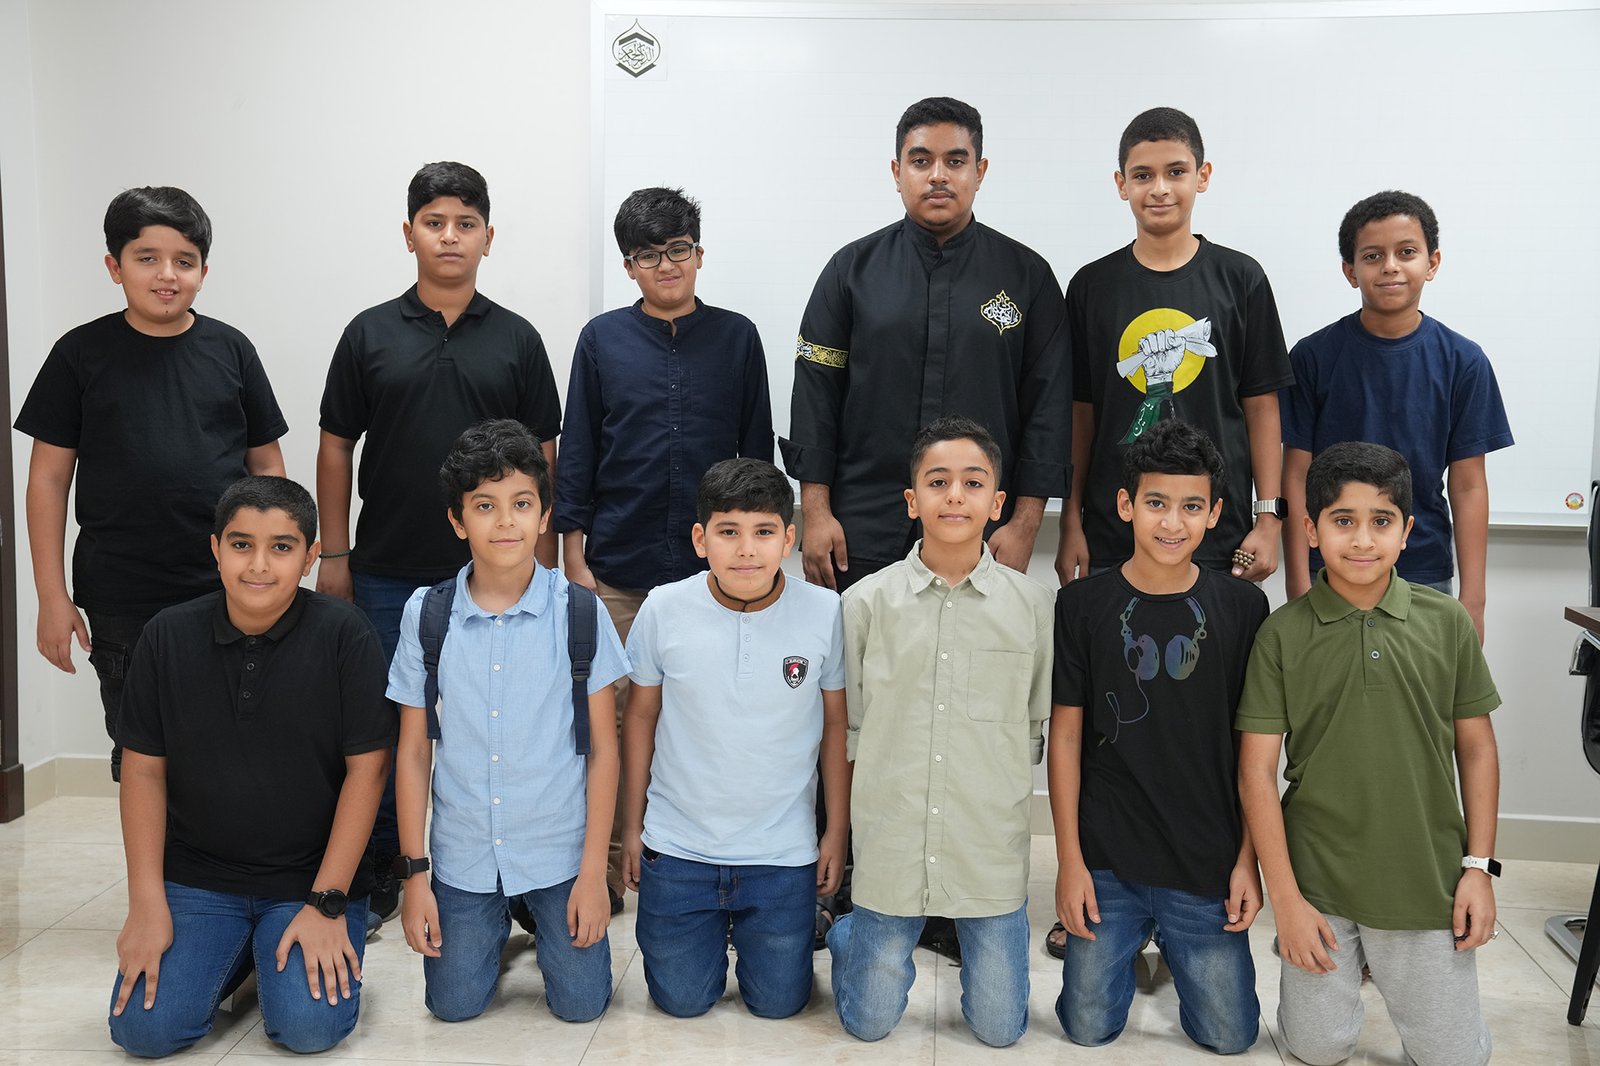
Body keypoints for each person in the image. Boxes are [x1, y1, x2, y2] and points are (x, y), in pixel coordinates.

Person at [317, 161, 564, 925]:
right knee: (386, 726)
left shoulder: (517, 338)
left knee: (503, 722)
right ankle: (387, 868)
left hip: (496, 576)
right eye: (434, 223)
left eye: (465, 223)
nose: (449, 236)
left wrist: (544, 571)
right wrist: (334, 555)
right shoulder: (368, 333)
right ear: (409, 234)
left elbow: (544, 460)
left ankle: (512, 877)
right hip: (386, 570)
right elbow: (335, 446)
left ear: (489, 237)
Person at [108, 476, 393, 1057]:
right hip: (199, 877)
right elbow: (142, 772)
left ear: (310, 557)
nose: (259, 565)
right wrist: (146, 902)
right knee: (143, 1032)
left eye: (281, 547)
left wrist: (328, 902)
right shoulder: (165, 636)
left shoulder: (346, 636)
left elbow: (368, 772)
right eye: (241, 545)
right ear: (216, 549)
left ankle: (276, 944)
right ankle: (242, 951)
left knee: (308, 1030)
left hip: (310, 880)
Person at [1238, 441, 1501, 1066]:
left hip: (1424, 880)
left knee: (1454, 1059)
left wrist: (1479, 869)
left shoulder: (1447, 623)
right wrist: (1287, 901)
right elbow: (1256, 773)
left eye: (1381, 521)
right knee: (1316, 1049)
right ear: (1310, 530)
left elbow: (1478, 748)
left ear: (1407, 532)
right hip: (1317, 883)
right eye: (1343, 520)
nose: (1362, 540)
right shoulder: (1280, 635)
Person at [14, 185, 287, 783]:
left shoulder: (231, 350)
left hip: (226, 587)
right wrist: (52, 597)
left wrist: (274, 564)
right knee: (142, 751)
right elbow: (48, 479)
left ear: (203, 273)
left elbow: (267, 468)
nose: (167, 274)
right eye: (147, 258)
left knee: (233, 745)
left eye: (184, 261)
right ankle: (150, 850)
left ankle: (217, 847)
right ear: (114, 267)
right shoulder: (79, 354)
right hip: (121, 597)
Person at [556, 186, 774, 910]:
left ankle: (696, 856)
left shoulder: (737, 338)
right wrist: (574, 557)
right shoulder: (601, 340)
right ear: (629, 266)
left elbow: (756, 455)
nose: (667, 265)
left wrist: (755, 556)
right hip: (618, 566)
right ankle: (615, 860)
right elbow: (579, 450)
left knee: (709, 715)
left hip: (715, 573)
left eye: (679, 249)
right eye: (649, 255)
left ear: (699, 254)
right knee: (614, 721)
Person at [388, 419, 627, 1024]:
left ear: (544, 516)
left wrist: (593, 873)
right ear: (457, 520)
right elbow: (413, 752)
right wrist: (415, 876)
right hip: (465, 851)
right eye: (484, 506)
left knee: (581, 1006)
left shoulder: (580, 611)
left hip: (558, 851)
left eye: (521, 504)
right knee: (453, 1006)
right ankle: (494, 920)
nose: (505, 522)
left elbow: (604, 749)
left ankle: (531, 910)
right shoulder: (426, 615)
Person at [827, 416, 1053, 1048]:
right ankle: (851, 935)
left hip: (988, 848)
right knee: (869, 1025)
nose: (955, 495)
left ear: (997, 503)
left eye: (973, 483)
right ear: (912, 500)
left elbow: (1034, 724)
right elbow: (852, 729)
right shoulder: (864, 604)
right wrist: (842, 833)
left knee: (1001, 1029)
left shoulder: (1034, 607)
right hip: (893, 843)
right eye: (937, 482)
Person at [783, 95, 1070, 591]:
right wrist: (816, 512)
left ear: (979, 172)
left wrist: (1025, 524)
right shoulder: (850, 272)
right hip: (862, 527)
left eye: (955, 161)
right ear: (897, 172)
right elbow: (816, 396)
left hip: (984, 532)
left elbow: (1048, 408)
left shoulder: (1027, 277)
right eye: (921, 161)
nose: (938, 175)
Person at [1048, 419, 1266, 1054]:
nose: (1173, 522)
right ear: (1126, 505)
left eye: (1192, 507)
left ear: (1215, 514)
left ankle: (1171, 936)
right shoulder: (1081, 606)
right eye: (1156, 503)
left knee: (1230, 1037)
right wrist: (1069, 863)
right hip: (1108, 860)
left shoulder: (1244, 609)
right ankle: (1141, 932)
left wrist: (1246, 861)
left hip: (1204, 861)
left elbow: (1254, 753)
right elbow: (1066, 739)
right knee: (1087, 1028)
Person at [619, 458, 847, 1018]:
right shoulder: (663, 608)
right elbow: (640, 718)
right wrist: (632, 827)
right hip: (679, 850)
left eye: (764, 532)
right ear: (701, 539)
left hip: (781, 854)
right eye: (728, 532)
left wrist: (836, 830)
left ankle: (830, 933)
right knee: (681, 1001)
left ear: (788, 539)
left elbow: (835, 727)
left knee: (779, 1004)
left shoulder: (826, 612)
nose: (747, 550)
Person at [1055, 106, 1291, 588]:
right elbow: (1080, 414)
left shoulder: (1241, 279)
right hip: (1113, 533)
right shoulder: (1090, 286)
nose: (1159, 188)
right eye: (1143, 175)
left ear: (1202, 176)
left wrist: (1268, 520)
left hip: (1219, 532)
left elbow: (1262, 407)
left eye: (1176, 172)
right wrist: (1070, 521)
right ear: (1121, 184)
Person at [1279, 190, 1513, 643]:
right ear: (1351, 271)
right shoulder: (1312, 357)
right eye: (1373, 256)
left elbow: (1468, 485)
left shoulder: (1463, 362)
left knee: (1423, 688)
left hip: (1423, 569)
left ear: (1432, 262)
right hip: (1329, 568)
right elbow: (1296, 474)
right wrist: (1297, 581)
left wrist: (1474, 601)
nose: (1390, 266)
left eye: (1406, 252)